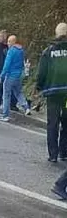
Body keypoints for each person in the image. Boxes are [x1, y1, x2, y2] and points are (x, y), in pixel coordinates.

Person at [36, 23, 67, 163]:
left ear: (56, 34)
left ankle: (53, 154)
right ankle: (64, 152)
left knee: (52, 123)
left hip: (53, 93)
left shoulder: (48, 51)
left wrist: (39, 86)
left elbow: (42, 72)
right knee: (66, 121)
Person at [0, 35, 31, 122]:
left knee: (6, 95)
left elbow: (7, 64)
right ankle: (26, 107)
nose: (7, 43)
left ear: (13, 42)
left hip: (10, 76)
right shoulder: (21, 51)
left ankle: (5, 115)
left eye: (9, 41)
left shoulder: (11, 51)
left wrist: (2, 75)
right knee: (18, 93)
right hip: (18, 76)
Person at [0, 30, 18, 117]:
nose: (0, 38)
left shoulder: (10, 47)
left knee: (9, 91)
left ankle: (11, 106)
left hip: (9, 72)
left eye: (2, 36)